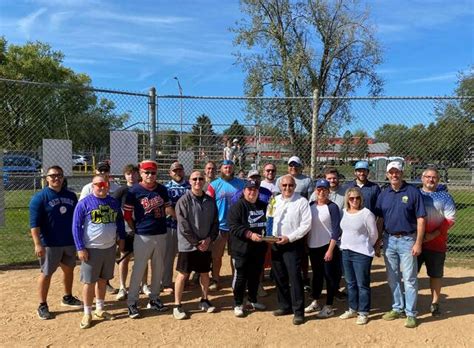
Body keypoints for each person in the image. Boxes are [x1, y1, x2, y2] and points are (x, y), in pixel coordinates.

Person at [375, 161, 426, 329]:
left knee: (410, 279)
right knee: (392, 277)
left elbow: (421, 218)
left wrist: (418, 242)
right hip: (389, 240)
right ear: (387, 174)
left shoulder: (412, 192)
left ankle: (411, 313)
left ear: (402, 173)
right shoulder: (384, 193)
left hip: (407, 240)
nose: (394, 175)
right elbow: (380, 218)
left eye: (397, 172)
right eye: (391, 172)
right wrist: (377, 240)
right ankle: (397, 307)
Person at [72, 175, 126, 329]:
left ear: (108, 186)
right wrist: (80, 247)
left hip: (109, 248)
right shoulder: (84, 203)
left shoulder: (113, 202)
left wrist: (121, 239)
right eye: (98, 185)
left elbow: (119, 222)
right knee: (89, 282)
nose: (101, 187)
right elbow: (76, 227)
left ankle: (100, 309)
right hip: (91, 249)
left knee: (103, 280)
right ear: (92, 186)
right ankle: (87, 312)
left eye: (104, 184)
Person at [124, 160, 175, 319]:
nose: (150, 175)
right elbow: (127, 215)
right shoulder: (134, 191)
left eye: (153, 172)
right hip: (143, 235)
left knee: (158, 268)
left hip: (161, 233)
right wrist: (135, 229)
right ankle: (132, 302)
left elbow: (167, 207)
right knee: (139, 269)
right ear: (140, 173)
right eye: (147, 172)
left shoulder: (162, 189)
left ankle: (154, 298)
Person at [29, 165, 81, 320]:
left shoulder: (71, 196)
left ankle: (68, 297)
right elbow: (34, 224)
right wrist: (38, 244)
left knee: (69, 270)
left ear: (63, 177)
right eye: (52, 176)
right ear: (47, 178)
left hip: (68, 241)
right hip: (50, 243)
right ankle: (42, 304)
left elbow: (76, 220)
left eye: (59, 175)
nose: (56, 178)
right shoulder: (40, 198)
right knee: (46, 273)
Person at [173, 170, 219, 320]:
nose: (198, 181)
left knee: (205, 273)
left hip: (205, 244)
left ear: (204, 180)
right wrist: (196, 242)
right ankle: (177, 305)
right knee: (183, 274)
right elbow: (183, 225)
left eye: (200, 178)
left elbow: (215, 223)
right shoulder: (184, 200)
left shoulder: (210, 201)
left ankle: (204, 300)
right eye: (194, 179)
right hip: (188, 246)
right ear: (190, 181)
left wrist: (209, 239)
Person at [271, 174, 311, 325]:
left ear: (295, 187)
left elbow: (306, 225)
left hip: (293, 244)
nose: (287, 188)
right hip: (276, 243)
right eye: (284, 185)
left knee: (294, 277)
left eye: (290, 185)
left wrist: (290, 238)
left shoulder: (301, 201)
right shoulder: (274, 200)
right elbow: (271, 219)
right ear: (280, 186)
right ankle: (284, 306)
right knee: (279, 276)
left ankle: (298, 311)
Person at [418, 167, 456, 316]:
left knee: (435, 275)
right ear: (422, 178)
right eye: (427, 177)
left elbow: (450, 219)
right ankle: (409, 302)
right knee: (410, 274)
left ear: (438, 180)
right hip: (416, 242)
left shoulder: (445, 197)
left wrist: (433, 234)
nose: (430, 180)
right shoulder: (416, 194)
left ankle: (434, 303)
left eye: (434, 177)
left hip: (437, 243)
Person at [79, 161, 120, 294]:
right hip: (92, 231)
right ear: (96, 172)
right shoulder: (88, 188)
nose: (103, 173)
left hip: (109, 229)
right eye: (100, 170)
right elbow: (82, 210)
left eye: (105, 170)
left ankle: (105, 284)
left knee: (105, 265)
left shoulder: (116, 187)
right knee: (92, 271)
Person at [228, 179, 268, 317]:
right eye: (249, 189)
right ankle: (238, 303)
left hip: (258, 248)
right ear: (244, 191)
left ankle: (252, 300)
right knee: (241, 276)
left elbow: (269, 223)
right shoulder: (237, 206)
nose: (252, 192)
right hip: (242, 248)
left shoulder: (263, 205)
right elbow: (233, 226)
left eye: (255, 190)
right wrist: (250, 234)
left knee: (255, 276)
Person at [339, 187, 378, 325]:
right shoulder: (343, 212)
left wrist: (366, 246)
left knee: (362, 284)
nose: (354, 200)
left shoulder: (366, 214)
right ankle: (352, 308)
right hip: (346, 251)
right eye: (351, 198)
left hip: (362, 253)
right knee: (350, 283)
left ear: (361, 199)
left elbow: (374, 234)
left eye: (357, 198)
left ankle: (363, 312)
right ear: (347, 200)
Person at [112, 164, 151, 300]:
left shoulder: (143, 189)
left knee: (143, 258)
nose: (131, 176)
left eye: (134, 173)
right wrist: (118, 232)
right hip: (127, 230)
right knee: (124, 258)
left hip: (142, 230)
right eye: (128, 174)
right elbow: (113, 210)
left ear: (138, 175)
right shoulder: (121, 191)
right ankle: (122, 287)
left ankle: (144, 284)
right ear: (125, 176)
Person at [305, 179, 342, 318]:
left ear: (328, 192)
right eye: (319, 189)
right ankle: (315, 300)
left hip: (327, 246)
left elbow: (336, 230)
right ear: (315, 190)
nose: (321, 192)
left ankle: (329, 305)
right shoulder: (311, 205)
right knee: (317, 275)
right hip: (313, 246)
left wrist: (330, 249)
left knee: (329, 276)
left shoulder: (332, 207)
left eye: (324, 190)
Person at [275, 156, 313, 291]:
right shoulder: (281, 179)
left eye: (296, 165)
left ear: (300, 166)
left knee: (302, 253)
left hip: (299, 219)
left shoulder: (306, 180)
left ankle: (304, 277)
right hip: (283, 226)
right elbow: (276, 201)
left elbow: (309, 199)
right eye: (291, 165)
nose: (293, 167)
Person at [206, 160, 245, 290]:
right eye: (225, 167)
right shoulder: (214, 184)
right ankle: (215, 279)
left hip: (236, 226)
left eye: (230, 167)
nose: (228, 169)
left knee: (236, 256)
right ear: (221, 169)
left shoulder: (241, 184)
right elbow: (207, 204)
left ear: (233, 168)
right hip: (220, 226)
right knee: (217, 256)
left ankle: (237, 280)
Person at [163, 162, 191, 293]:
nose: (177, 173)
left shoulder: (190, 186)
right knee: (169, 255)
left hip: (188, 228)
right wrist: (181, 221)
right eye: (174, 171)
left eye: (180, 170)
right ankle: (167, 282)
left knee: (187, 255)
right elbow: (167, 208)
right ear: (170, 173)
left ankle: (185, 279)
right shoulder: (166, 188)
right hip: (172, 226)